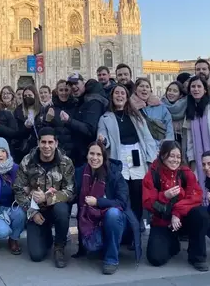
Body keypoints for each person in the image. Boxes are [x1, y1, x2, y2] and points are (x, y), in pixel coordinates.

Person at [74, 141, 142, 275]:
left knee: (113, 213)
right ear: (87, 155)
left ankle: (111, 259)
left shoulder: (114, 174)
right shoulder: (80, 173)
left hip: (120, 222)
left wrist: (98, 202)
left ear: (104, 157)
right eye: (92, 153)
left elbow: (122, 202)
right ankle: (98, 245)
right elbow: (75, 198)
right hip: (93, 221)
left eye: (98, 154)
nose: (94, 157)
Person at [143, 141, 210, 271]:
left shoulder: (185, 172)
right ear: (162, 155)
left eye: (178, 157)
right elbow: (147, 202)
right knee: (156, 259)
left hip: (183, 219)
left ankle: (197, 257)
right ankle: (173, 243)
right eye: (171, 156)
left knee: (201, 214)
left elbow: (196, 196)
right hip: (162, 220)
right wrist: (164, 196)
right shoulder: (152, 173)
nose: (175, 160)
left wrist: (177, 213)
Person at [13, 128, 75, 268]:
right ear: (38, 143)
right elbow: (17, 189)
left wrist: (47, 199)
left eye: (50, 142)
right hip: (36, 211)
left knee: (62, 210)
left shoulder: (66, 162)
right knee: (36, 256)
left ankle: (59, 247)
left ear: (56, 143)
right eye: (43, 142)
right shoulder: (27, 161)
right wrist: (32, 212)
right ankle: (46, 236)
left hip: (56, 208)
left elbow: (70, 191)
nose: (47, 146)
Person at [97, 84, 158, 224]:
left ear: (127, 97)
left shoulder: (136, 116)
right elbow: (103, 138)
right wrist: (102, 140)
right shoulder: (105, 118)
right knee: (122, 191)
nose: (119, 96)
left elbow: (147, 138)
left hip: (137, 154)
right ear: (112, 97)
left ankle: (137, 223)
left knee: (137, 190)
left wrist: (152, 158)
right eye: (116, 93)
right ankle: (125, 224)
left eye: (122, 93)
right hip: (119, 155)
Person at [161, 81, 187, 146]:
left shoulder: (186, 106)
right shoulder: (160, 105)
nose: (171, 93)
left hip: (184, 143)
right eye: (169, 90)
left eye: (175, 91)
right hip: (165, 143)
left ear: (180, 95)